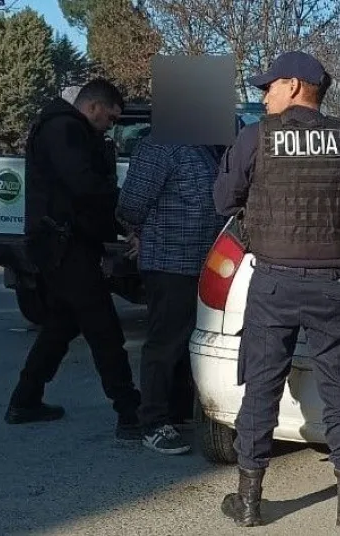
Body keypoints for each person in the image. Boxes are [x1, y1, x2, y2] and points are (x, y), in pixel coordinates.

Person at [212, 51, 340, 528]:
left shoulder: (255, 139)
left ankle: (249, 502)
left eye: (269, 86)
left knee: (261, 391)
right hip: (334, 287)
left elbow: (223, 200)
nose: (263, 94)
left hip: (273, 283)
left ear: (293, 85)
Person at [5, 79, 143, 443]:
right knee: (104, 330)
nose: (110, 125)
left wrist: (117, 224)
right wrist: (125, 211)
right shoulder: (65, 130)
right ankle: (130, 412)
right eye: (110, 118)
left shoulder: (63, 128)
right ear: (94, 107)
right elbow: (85, 187)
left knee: (61, 326)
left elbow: (81, 192)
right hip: (67, 247)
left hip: (61, 245)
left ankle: (25, 399)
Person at [117, 139, 226, 455]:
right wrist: (140, 233)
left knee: (188, 341)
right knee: (164, 343)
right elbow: (131, 204)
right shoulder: (159, 146)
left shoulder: (205, 148)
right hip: (169, 262)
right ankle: (152, 422)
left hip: (203, 263)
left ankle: (177, 411)